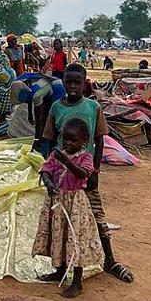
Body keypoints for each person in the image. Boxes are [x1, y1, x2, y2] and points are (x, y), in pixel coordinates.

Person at [42, 63, 134, 284]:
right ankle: (60, 266)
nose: (72, 86)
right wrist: (48, 172)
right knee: (62, 222)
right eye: (68, 82)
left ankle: (109, 260)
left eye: (77, 82)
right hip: (63, 178)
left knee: (96, 217)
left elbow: (99, 139)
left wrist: (95, 171)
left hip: (84, 174)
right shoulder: (56, 107)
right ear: (63, 82)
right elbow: (50, 141)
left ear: (85, 83)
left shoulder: (93, 107)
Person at [33, 118, 104, 298]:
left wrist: (67, 162)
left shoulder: (85, 157)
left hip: (75, 204)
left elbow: (83, 173)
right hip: (58, 202)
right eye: (66, 139)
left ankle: (77, 281)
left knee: (75, 238)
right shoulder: (57, 154)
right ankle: (59, 270)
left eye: (73, 140)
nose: (68, 143)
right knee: (59, 235)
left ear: (84, 141)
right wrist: (49, 184)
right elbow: (45, 170)